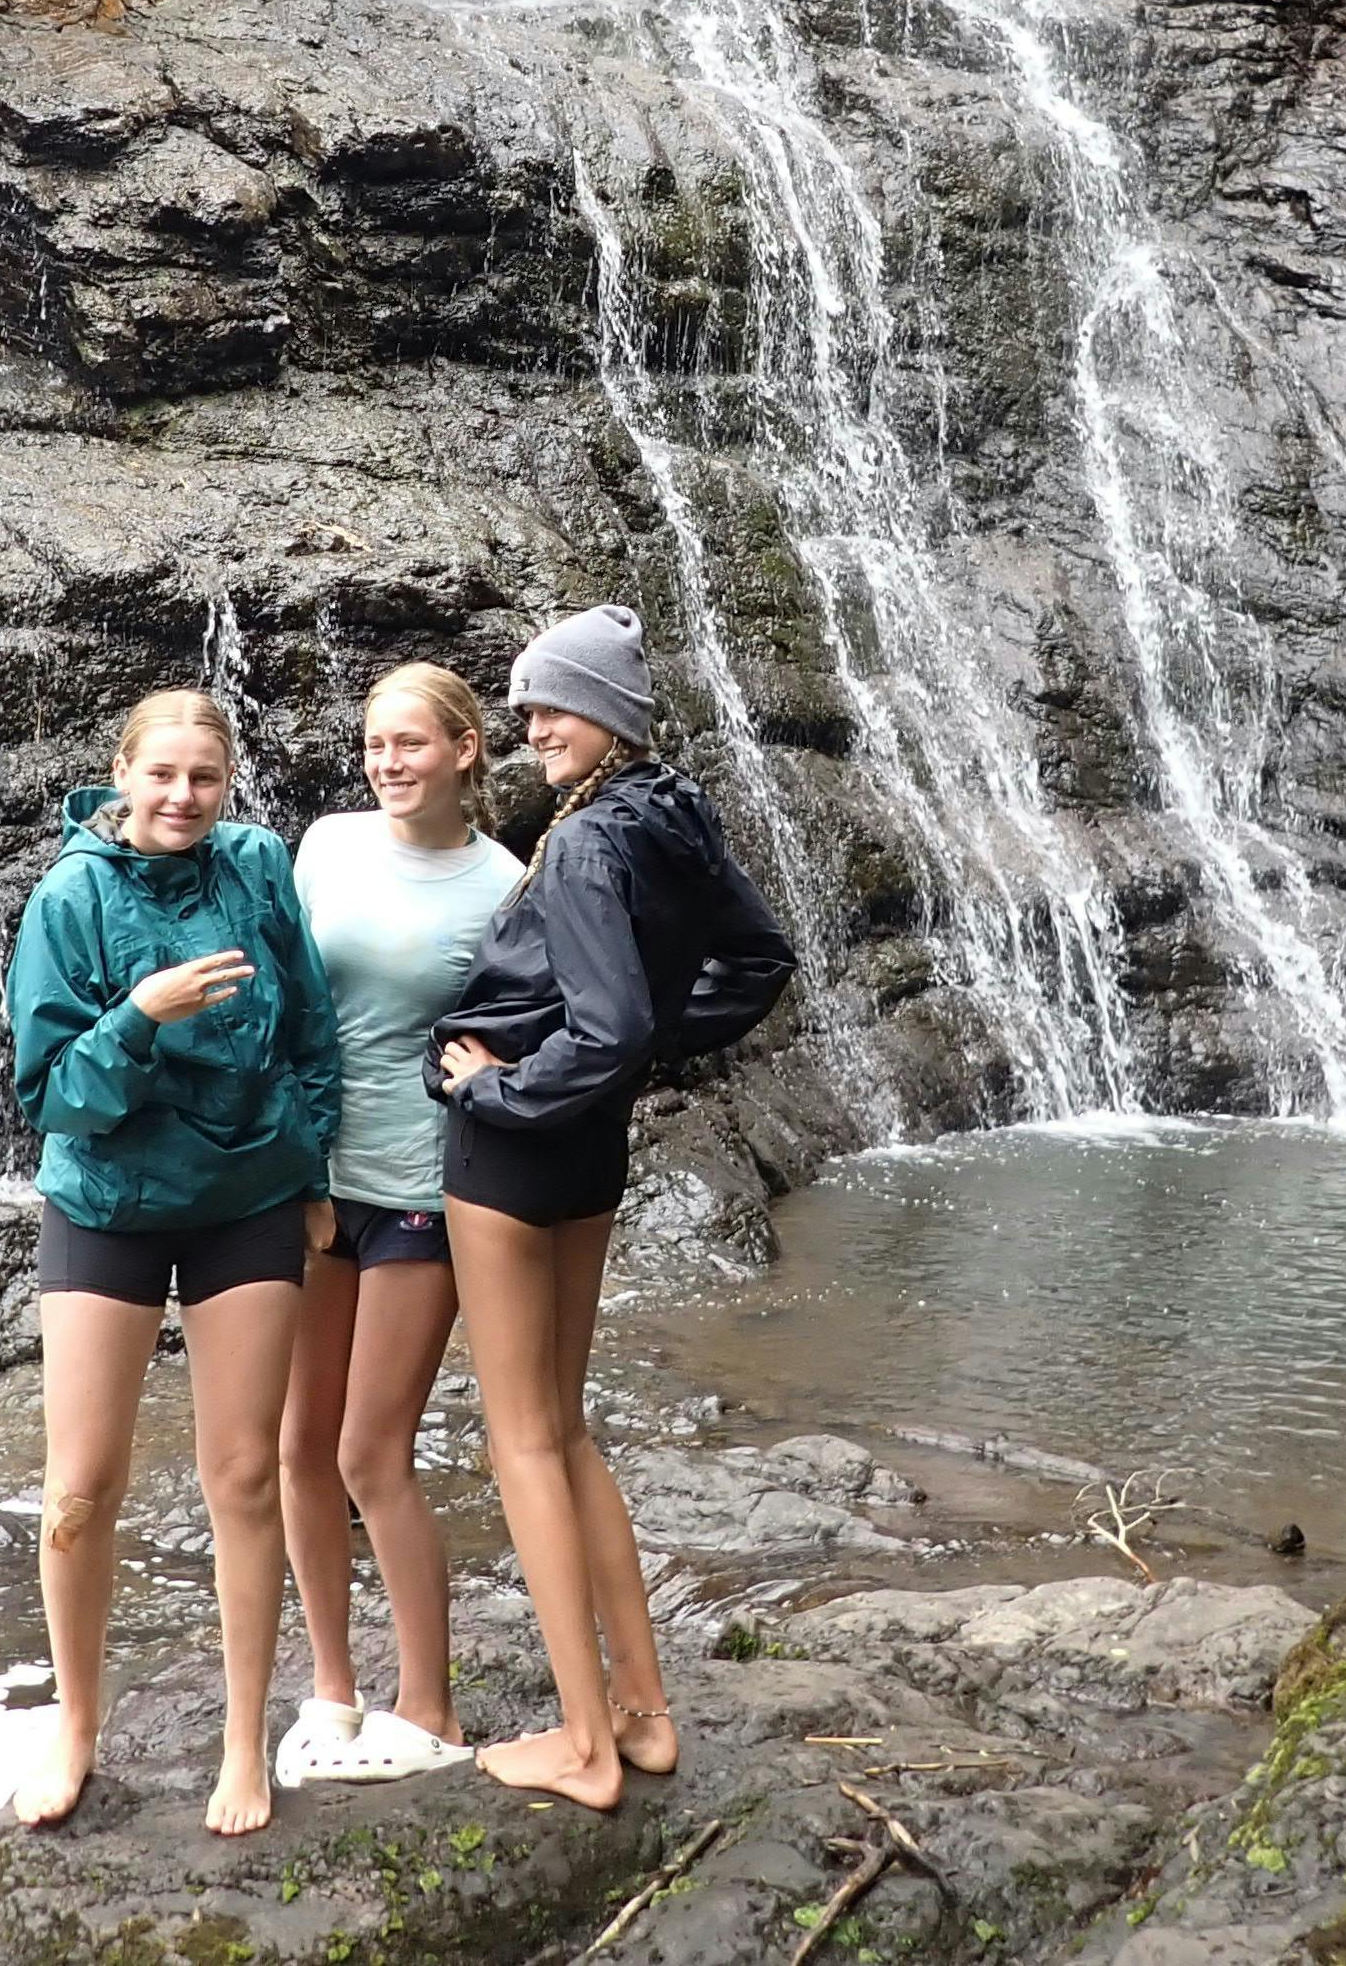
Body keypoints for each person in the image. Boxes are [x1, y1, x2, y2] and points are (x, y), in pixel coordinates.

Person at [432, 604, 796, 1810]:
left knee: (522, 1438)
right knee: (567, 1427)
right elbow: (757, 960)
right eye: (527, 706)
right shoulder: (672, 813)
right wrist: (626, 1065)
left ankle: (582, 1746)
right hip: (588, 1155)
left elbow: (610, 1024)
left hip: (515, 1154)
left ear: (611, 715)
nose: (533, 727)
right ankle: (641, 1715)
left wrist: (498, 1089)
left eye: (554, 707)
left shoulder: (585, 844)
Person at [3, 686, 338, 1838]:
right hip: (108, 1205)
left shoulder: (255, 865)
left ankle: (244, 1743)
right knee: (76, 1491)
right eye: (163, 777)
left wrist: (313, 1173)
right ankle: (76, 1727)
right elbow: (51, 1095)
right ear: (123, 776)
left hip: (250, 1197)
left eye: (203, 778)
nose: (183, 798)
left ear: (226, 779)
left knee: (242, 1478)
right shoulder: (70, 894)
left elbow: (309, 1030)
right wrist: (139, 1014)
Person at [272, 667, 522, 1789]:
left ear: (466, 750)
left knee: (371, 1451)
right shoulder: (324, 844)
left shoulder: (506, 886)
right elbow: (281, 997)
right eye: (374, 743)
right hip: (315, 1185)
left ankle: (430, 1708)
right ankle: (332, 1689)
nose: (386, 762)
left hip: (425, 1183)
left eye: (410, 743)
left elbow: (533, 1025)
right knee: (296, 1447)